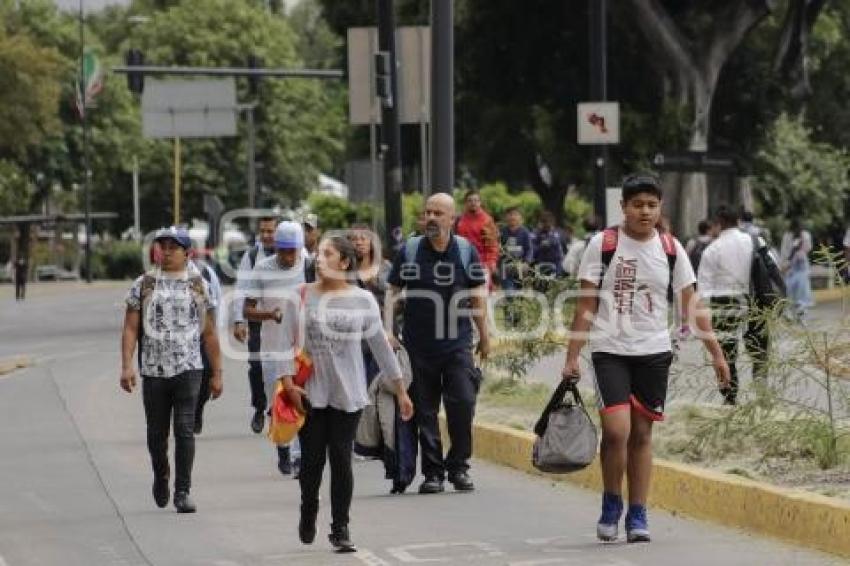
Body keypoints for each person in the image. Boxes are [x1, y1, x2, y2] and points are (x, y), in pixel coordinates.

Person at [562, 174, 729, 543]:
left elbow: (692, 304)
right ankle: (611, 503)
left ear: (660, 208)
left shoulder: (671, 249)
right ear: (623, 207)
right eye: (637, 204)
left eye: (652, 205)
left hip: (654, 352)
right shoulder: (603, 244)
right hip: (609, 351)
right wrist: (572, 355)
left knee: (641, 434)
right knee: (617, 430)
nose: (645, 211)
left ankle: (638, 513)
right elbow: (586, 303)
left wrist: (716, 353)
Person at [276, 236, 414, 552]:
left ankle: (340, 528)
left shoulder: (362, 300)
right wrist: (288, 384)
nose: (319, 258)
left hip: (348, 392)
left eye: (328, 253)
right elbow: (283, 346)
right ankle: (308, 508)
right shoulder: (298, 297)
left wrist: (401, 390)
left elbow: (380, 346)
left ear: (345, 262)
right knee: (311, 463)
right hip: (309, 393)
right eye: (318, 253)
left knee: (341, 460)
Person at [387, 192, 490, 495]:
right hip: (418, 346)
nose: (431, 218)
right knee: (425, 412)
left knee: (463, 405)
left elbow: (476, 295)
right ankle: (433, 473)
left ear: (452, 219)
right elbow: (392, 291)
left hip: (458, 344)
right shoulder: (410, 251)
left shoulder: (464, 250)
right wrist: (387, 329)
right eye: (427, 213)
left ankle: (458, 466)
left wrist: (484, 335)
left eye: (438, 213)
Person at [120, 227, 223, 514]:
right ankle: (161, 473)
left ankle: (183, 490)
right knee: (156, 434)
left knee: (185, 430)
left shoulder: (198, 285)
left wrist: (217, 373)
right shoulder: (144, 284)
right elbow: (130, 328)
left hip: (189, 369)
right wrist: (127, 365)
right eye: (161, 246)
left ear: (186, 252)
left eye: (172, 247)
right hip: (153, 371)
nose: (165, 252)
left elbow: (210, 334)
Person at [244, 221, 307, 476]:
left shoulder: (311, 265)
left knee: (302, 400)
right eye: (282, 250)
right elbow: (247, 309)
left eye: (292, 250)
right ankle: (284, 449)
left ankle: (301, 456)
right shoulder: (262, 269)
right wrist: (269, 314)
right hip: (272, 348)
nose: (288, 256)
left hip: (303, 349)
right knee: (279, 402)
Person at [698, 206, 765, 405]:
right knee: (758, 350)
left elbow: (703, 288)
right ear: (738, 221)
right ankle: (762, 394)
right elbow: (772, 268)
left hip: (723, 303)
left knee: (726, 353)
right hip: (753, 299)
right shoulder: (756, 242)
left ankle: (730, 398)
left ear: (718, 223)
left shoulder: (713, 249)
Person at [233, 216, 279, 434]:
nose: (267, 235)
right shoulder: (251, 256)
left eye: (271, 231)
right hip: (258, 319)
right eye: (263, 231)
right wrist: (238, 320)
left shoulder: (296, 255)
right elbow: (241, 287)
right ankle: (260, 407)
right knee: (257, 366)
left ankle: (278, 408)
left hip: (285, 321)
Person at [191, 252, 223, 434]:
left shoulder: (206, 274)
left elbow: (215, 302)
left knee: (205, 377)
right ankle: (187, 414)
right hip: (181, 340)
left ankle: (198, 409)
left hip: (203, 334)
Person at [454, 189, 500, 286]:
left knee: (481, 296)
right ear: (465, 203)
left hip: (482, 264)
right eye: (470, 200)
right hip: (462, 264)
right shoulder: (459, 220)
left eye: (476, 200)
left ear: (480, 202)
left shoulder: (487, 220)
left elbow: (492, 244)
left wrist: (491, 262)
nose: (473, 203)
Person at [780, 218, 814, 322]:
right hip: (791, 267)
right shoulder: (787, 236)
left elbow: (808, 248)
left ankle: (801, 312)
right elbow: (784, 251)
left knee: (802, 289)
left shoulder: (805, 235)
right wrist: (784, 263)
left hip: (802, 266)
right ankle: (789, 313)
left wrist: (800, 248)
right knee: (789, 289)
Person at [499, 207, 534, 291]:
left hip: (520, 267)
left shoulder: (525, 232)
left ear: (520, 217)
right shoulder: (502, 232)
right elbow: (497, 248)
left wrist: (527, 262)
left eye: (515, 214)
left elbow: (529, 249)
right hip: (505, 268)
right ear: (505, 217)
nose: (512, 217)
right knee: (509, 292)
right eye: (510, 215)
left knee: (520, 293)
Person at [532, 210, 566, 278]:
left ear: (553, 222)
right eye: (543, 221)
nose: (546, 224)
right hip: (540, 263)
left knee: (557, 281)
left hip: (556, 263)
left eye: (549, 221)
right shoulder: (535, 233)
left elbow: (564, 249)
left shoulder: (559, 232)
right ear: (540, 222)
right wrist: (541, 245)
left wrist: (551, 242)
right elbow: (532, 250)